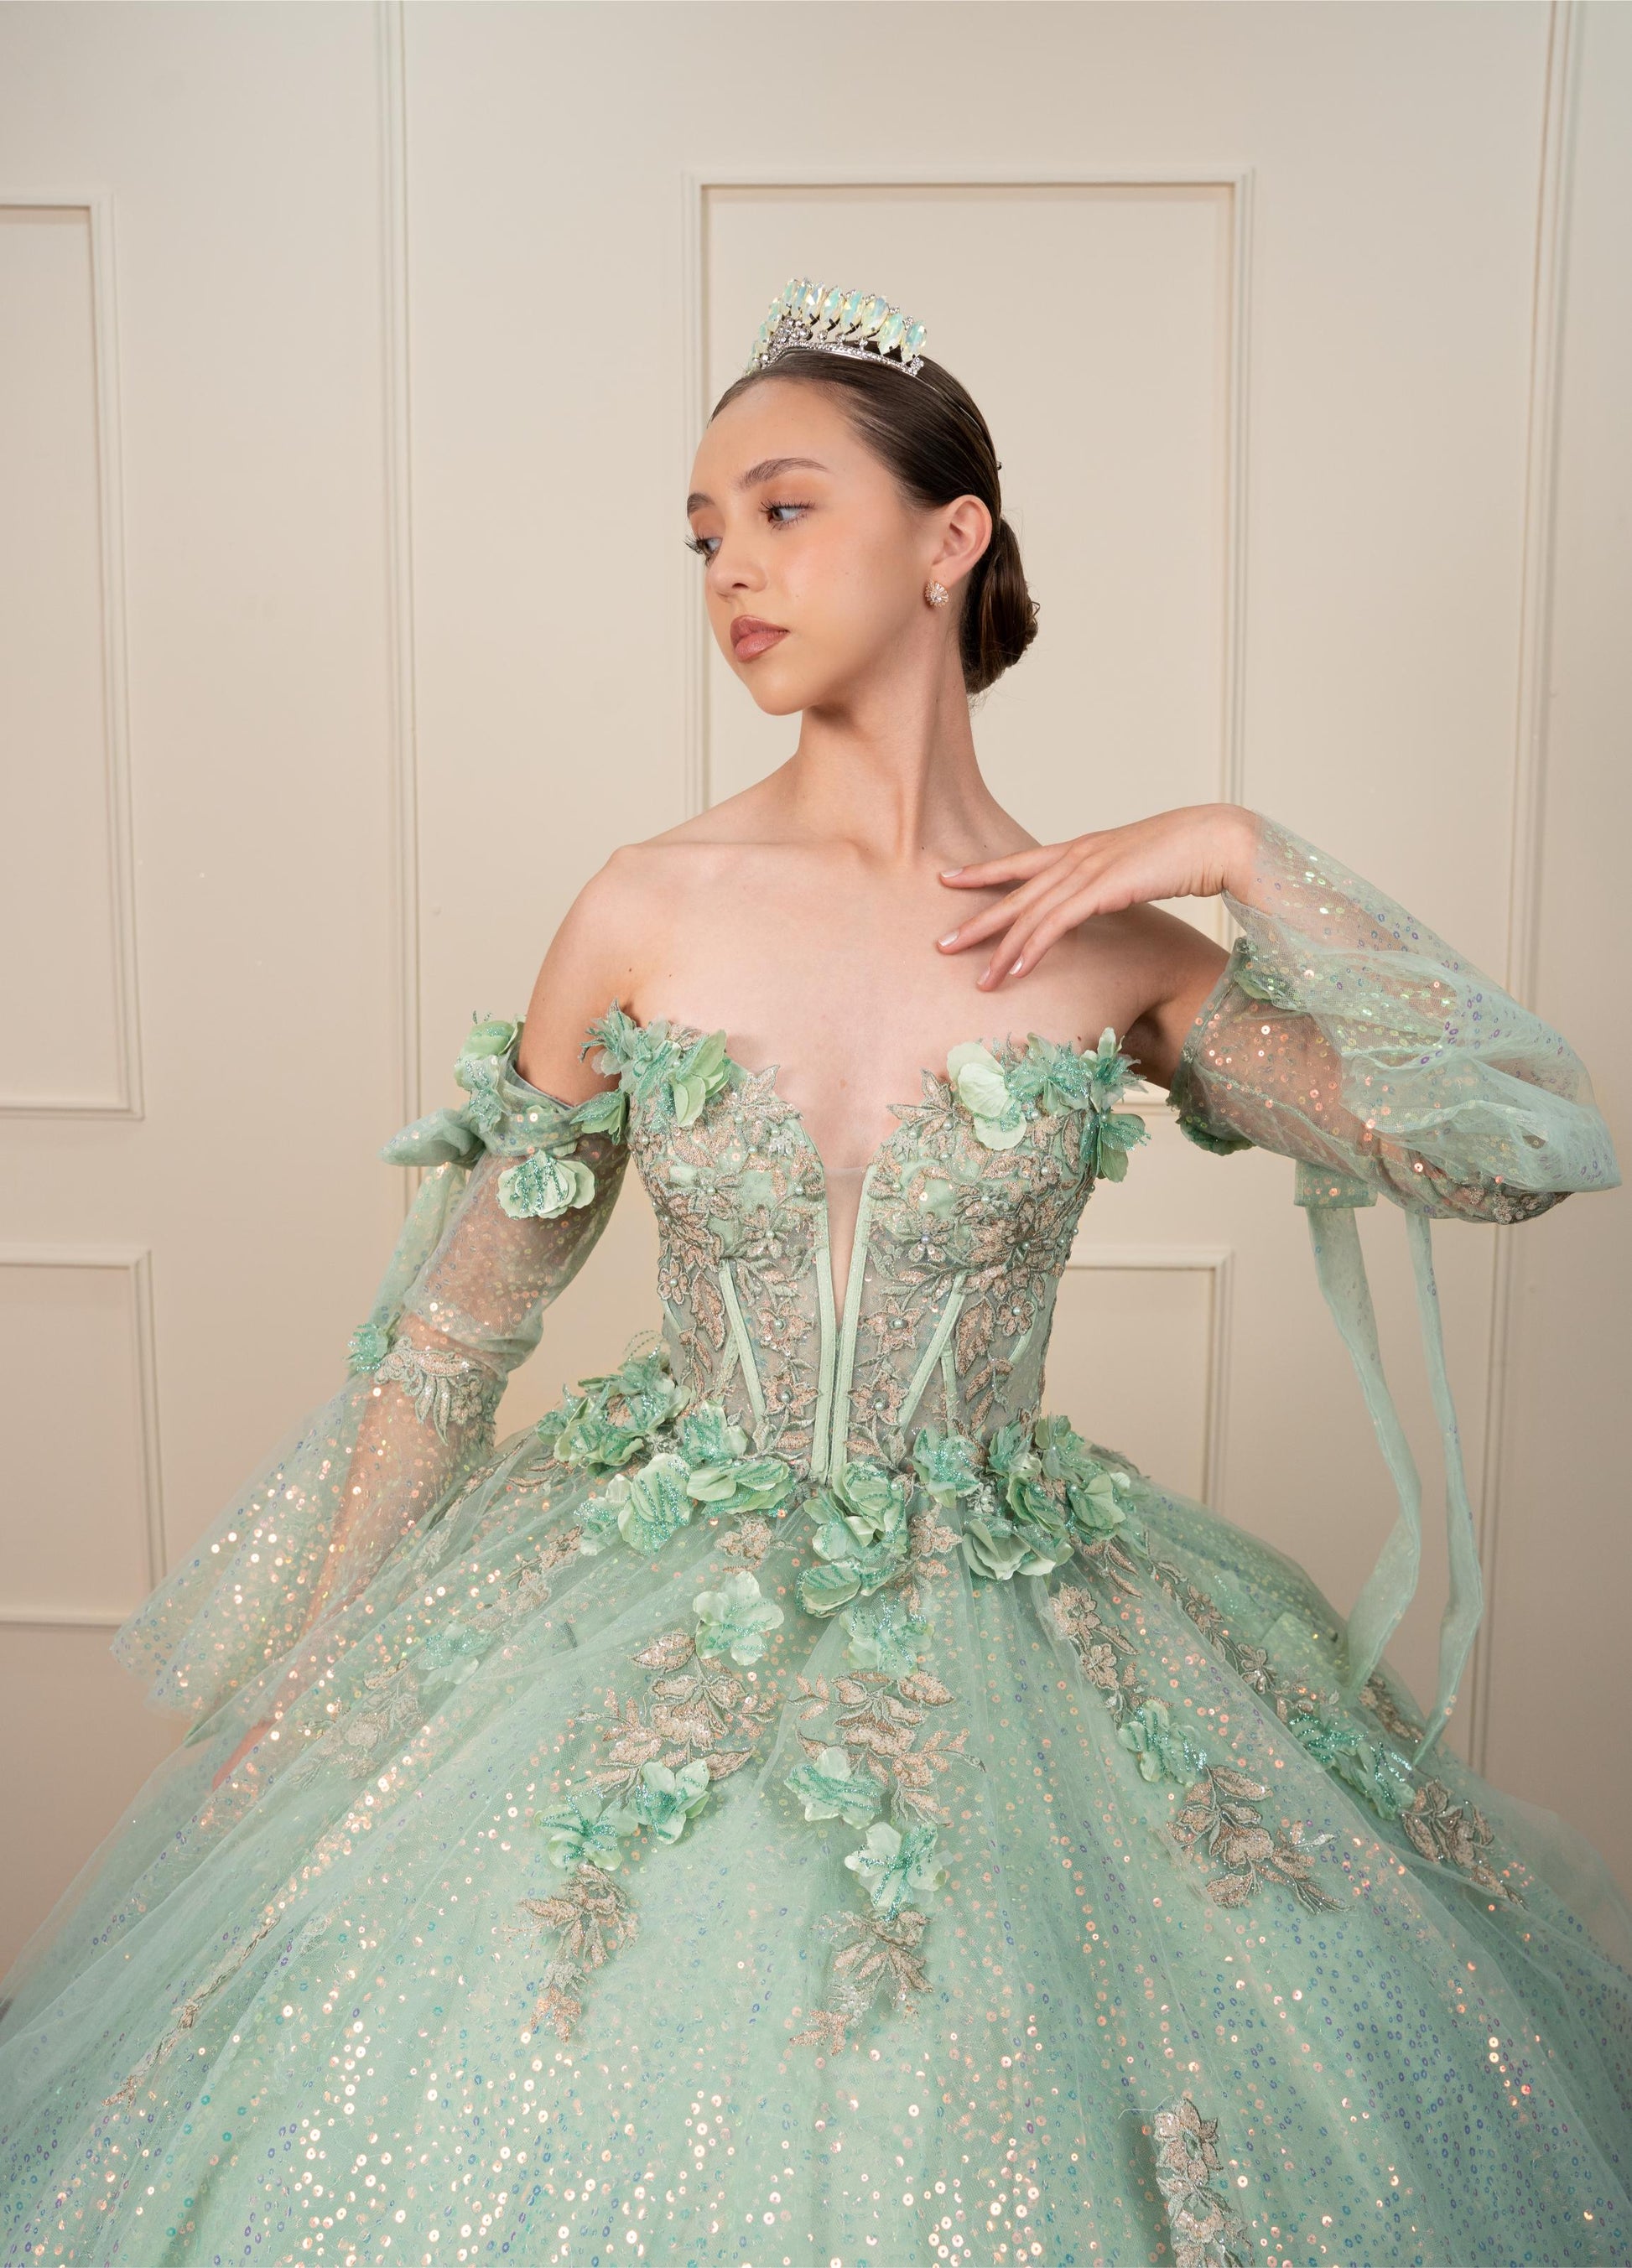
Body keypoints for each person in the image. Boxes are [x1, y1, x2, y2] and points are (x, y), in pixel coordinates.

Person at [2, 275, 1627, 2268]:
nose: (731, 572)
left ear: (951, 541)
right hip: (626, 1616)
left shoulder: (1111, 948)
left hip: (1025, 1632)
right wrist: (311, 1684)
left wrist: (1231, 846)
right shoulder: (644, 907)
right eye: (702, 535)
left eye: (782, 510)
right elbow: (450, 1338)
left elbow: (1510, 1151)